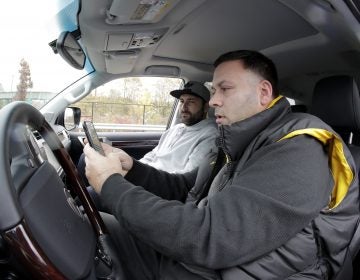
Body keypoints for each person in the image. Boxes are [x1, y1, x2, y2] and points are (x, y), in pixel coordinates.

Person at [83, 50, 359, 279]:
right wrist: (131, 168)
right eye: (214, 90)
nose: (213, 101)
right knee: (86, 226)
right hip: (207, 261)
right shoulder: (236, 142)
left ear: (264, 92)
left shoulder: (302, 148)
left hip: (224, 269)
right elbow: (186, 189)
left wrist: (110, 185)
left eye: (224, 89)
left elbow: (212, 237)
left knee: (86, 240)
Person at [139, 81, 218, 173]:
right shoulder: (175, 129)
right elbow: (153, 155)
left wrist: (143, 175)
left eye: (191, 101)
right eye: (182, 101)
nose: (184, 107)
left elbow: (187, 177)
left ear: (205, 107)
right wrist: (135, 167)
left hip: (161, 184)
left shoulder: (210, 135)